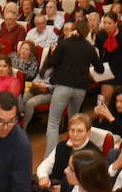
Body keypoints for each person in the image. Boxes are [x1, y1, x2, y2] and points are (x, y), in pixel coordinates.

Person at [43, 18, 100, 155]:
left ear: (75, 29)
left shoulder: (65, 43)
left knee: (53, 122)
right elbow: (100, 68)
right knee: (74, 123)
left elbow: (52, 62)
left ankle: (50, 157)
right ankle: (72, 154)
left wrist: (53, 52)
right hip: (81, 89)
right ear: (87, 32)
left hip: (63, 86)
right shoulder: (89, 48)